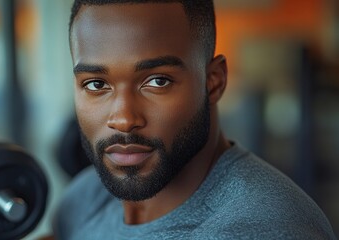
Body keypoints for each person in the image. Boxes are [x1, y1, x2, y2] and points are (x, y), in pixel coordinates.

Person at [52, 0, 337, 239]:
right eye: (96, 85)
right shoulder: (83, 199)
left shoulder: (265, 228)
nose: (124, 120)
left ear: (213, 82)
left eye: (158, 81)